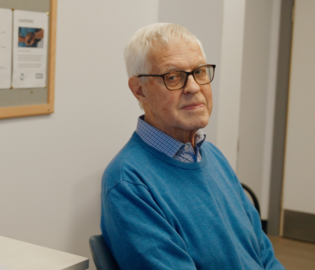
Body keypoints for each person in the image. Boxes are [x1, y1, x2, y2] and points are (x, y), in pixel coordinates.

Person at [100, 23, 285, 270]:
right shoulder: (128, 182)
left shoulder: (213, 156)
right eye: (173, 77)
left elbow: (263, 254)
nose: (194, 87)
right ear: (139, 90)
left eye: (199, 72)